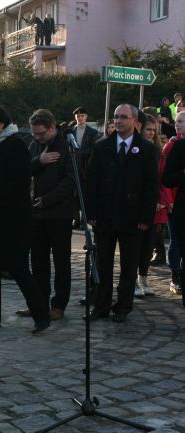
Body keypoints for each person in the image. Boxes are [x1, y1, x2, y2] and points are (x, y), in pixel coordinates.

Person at [0, 103, 50, 334]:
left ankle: (41, 315)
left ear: (1, 124)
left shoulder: (15, 146)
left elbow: (18, 186)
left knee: (18, 268)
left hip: (15, 218)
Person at [85, 104, 159, 322]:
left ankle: (123, 306)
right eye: (116, 117)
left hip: (133, 218)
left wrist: (146, 218)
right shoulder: (101, 147)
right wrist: (91, 213)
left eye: (124, 117)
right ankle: (101, 305)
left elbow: (151, 187)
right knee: (103, 264)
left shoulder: (147, 149)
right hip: (105, 217)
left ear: (135, 121)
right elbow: (92, 183)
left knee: (129, 266)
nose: (118, 121)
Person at [24, 109, 74, 321]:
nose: (37, 137)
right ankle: (39, 303)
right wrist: (39, 161)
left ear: (52, 128)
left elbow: (70, 181)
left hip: (59, 213)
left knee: (61, 261)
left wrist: (48, 200)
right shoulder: (34, 145)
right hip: (37, 214)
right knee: (38, 262)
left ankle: (59, 305)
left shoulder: (67, 146)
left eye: (41, 134)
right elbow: (25, 170)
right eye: (34, 133)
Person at [134, 113, 162, 297]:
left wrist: (161, 200)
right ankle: (134, 280)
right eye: (148, 129)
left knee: (148, 244)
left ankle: (143, 277)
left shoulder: (158, 149)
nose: (151, 133)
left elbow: (159, 179)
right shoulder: (135, 148)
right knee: (135, 245)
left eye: (154, 130)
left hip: (155, 204)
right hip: (137, 203)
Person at [163, 119, 185, 307]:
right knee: (177, 244)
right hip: (180, 208)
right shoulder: (177, 146)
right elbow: (167, 177)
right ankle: (176, 276)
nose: (179, 124)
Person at [71, 107, 101, 228]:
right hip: (73, 166)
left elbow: (93, 149)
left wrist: (81, 153)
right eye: (78, 116)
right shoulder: (71, 131)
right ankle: (75, 219)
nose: (80, 118)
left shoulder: (92, 132)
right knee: (73, 194)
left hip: (85, 167)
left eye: (82, 115)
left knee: (85, 193)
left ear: (86, 117)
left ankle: (84, 218)